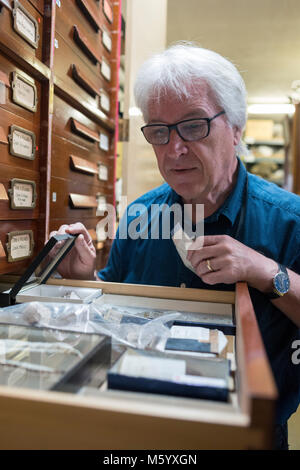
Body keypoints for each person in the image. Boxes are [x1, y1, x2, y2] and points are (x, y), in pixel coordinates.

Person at [51, 43, 300, 450]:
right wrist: (83, 279)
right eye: (159, 131)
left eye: (193, 125)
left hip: (243, 435)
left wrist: (262, 270)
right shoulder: (137, 216)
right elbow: (117, 305)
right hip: (142, 425)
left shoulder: (290, 220)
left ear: (236, 128)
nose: (174, 149)